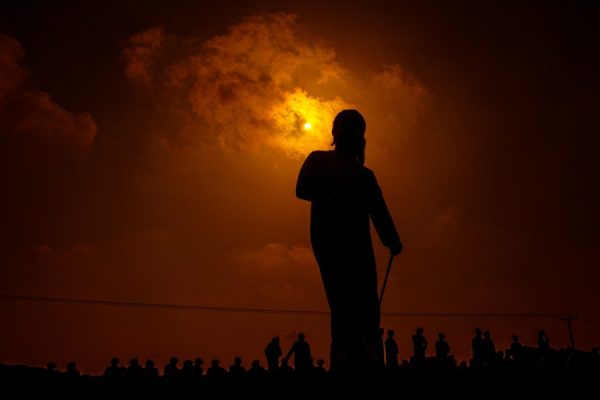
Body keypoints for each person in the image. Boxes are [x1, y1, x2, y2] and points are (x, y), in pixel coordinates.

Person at [296, 109, 403, 373]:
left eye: (357, 130)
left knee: (365, 303)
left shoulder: (365, 175)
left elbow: (379, 212)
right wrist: (338, 193)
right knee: (343, 301)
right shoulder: (319, 160)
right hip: (331, 242)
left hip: (358, 245)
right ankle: (352, 355)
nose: (352, 134)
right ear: (335, 132)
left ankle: (364, 354)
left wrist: (391, 240)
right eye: (348, 128)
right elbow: (302, 189)